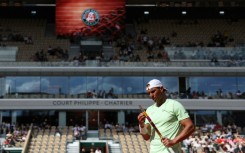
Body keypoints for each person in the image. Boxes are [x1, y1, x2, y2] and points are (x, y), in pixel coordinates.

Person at [137, 79, 195, 153]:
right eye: (149, 93)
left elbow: (190, 127)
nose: (151, 95)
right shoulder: (149, 110)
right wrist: (141, 125)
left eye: (153, 91)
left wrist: (173, 141)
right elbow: (146, 137)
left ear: (161, 89)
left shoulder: (174, 105)